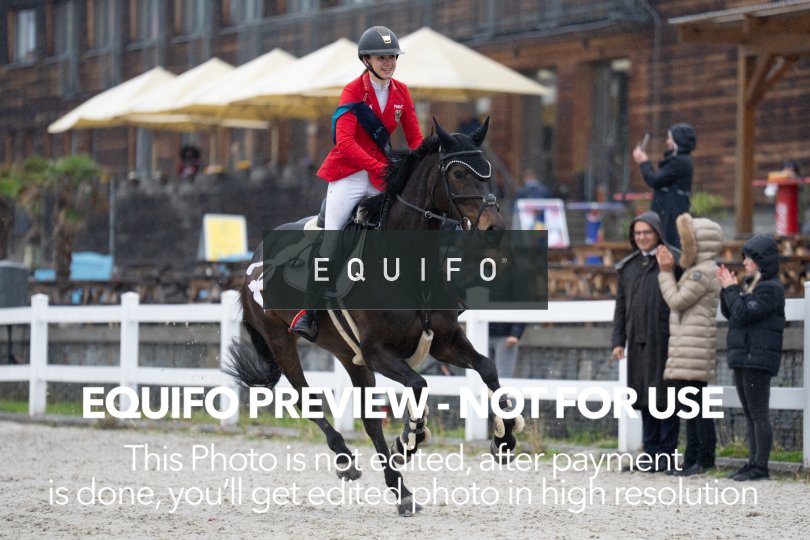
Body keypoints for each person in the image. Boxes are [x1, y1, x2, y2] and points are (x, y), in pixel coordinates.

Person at [291, 25, 423, 340]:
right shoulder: (353, 91)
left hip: (381, 176)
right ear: (366, 60)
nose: (389, 63)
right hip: (348, 175)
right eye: (382, 58)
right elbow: (345, 142)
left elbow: (415, 137)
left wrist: (422, 166)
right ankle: (310, 311)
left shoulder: (402, 92)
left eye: (393, 57)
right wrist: (379, 166)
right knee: (333, 237)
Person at [611, 211, 680, 472]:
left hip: (665, 341)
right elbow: (621, 307)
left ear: (657, 233)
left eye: (646, 232)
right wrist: (618, 340)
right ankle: (650, 453)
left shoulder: (673, 260)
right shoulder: (628, 266)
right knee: (642, 397)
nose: (641, 237)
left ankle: (667, 453)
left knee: (666, 398)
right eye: (637, 233)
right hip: (637, 341)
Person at [656, 213, 724, 476]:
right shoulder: (701, 269)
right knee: (693, 408)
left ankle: (702, 460)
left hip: (693, 350)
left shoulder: (700, 272)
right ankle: (693, 459)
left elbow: (676, 300)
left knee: (697, 409)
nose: (684, 246)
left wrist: (665, 272)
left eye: (688, 241)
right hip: (691, 349)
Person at [718, 235, 785, 481]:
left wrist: (731, 289)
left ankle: (761, 467)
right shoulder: (750, 285)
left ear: (762, 260)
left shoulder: (770, 289)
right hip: (744, 356)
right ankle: (752, 462)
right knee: (750, 413)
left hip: (757, 357)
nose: (744, 262)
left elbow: (744, 313)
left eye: (749, 257)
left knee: (758, 413)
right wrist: (727, 289)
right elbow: (731, 312)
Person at [632, 123, 696, 249]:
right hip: (670, 212)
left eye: (670, 139)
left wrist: (644, 162)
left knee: (669, 245)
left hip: (671, 214)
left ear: (678, 140)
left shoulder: (679, 161)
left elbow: (655, 180)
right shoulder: (681, 160)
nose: (667, 142)